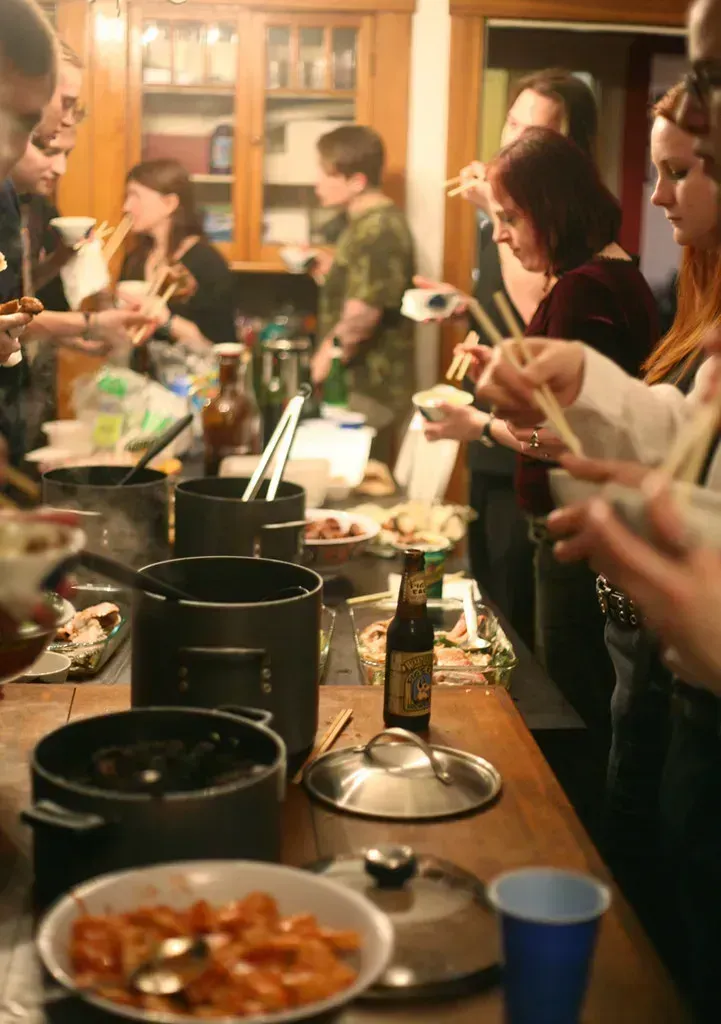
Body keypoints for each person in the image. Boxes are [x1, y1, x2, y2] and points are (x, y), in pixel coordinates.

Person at [443, 126, 659, 749]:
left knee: (566, 712)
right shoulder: (620, 272)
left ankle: (571, 841)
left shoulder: (581, 288)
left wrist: (480, 422)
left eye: (510, 217)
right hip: (595, 526)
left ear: (553, 209)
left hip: (573, 530)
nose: (499, 233)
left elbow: (561, 440)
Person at [416, 72, 598, 646]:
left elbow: (540, 315)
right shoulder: (505, 214)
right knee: (490, 593)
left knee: (524, 629)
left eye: (533, 129)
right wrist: (464, 306)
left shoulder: (577, 244)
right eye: (512, 122)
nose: (513, 138)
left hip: (541, 454)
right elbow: (514, 316)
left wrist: (496, 204)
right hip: (500, 432)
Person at [310, 125, 416, 463]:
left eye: (327, 175)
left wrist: (319, 367)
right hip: (361, 387)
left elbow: (362, 317)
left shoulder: (377, 228)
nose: (317, 184)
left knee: (356, 489)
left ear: (356, 181)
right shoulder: (365, 225)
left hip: (369, 389)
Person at [119, 158, 236, 372]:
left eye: (135, 196)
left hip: (191, 387)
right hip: (138, 386)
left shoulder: (207, 263)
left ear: (169, 203)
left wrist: (166, 320)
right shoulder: (135, 259)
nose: (126, 206)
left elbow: (221, 350)